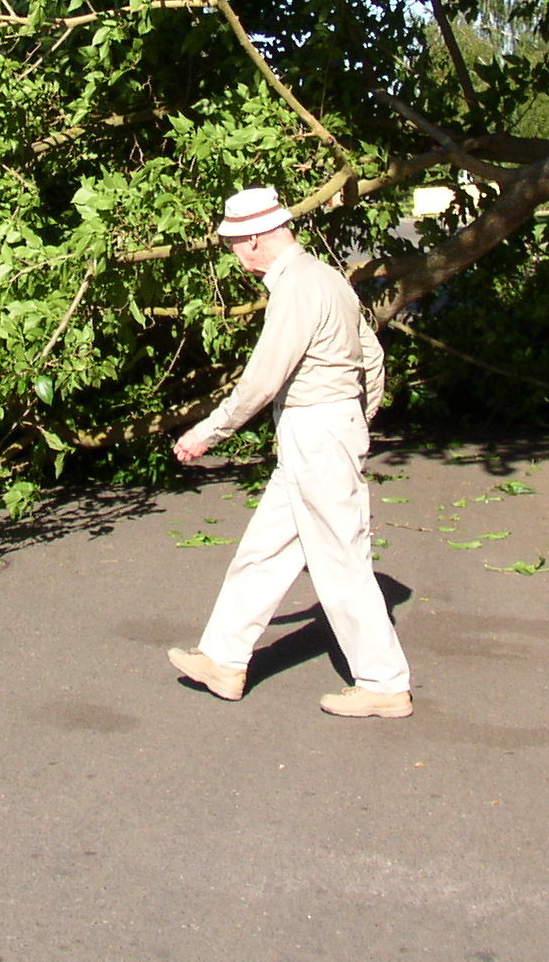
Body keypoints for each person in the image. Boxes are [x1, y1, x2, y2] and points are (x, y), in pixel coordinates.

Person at [167, 186, 413, 718]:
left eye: (234, 243)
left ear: (254, 238)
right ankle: (223, 659)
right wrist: (357, 421)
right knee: (264, 551)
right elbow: (371, 356)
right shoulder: (327, 277)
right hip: (324, 432)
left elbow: (262, 378)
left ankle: (384, 682)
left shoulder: (297, 288)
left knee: (341, 562)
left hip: (316, 432)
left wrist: (209, 431)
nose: (235, 255)